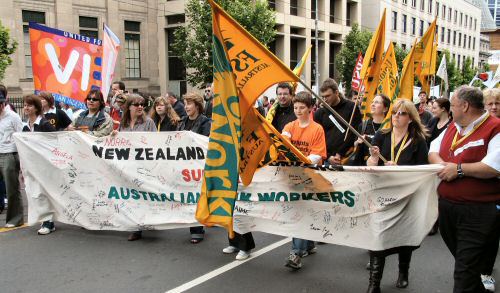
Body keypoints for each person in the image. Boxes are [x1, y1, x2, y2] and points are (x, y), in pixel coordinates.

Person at [429, 86, 499, 293]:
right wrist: (443, 166)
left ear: (465, 106)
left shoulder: (495, 128)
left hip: (478, 210)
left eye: (452, 105)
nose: (450, 109)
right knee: (466, 262)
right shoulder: (453, 126)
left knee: (464, 269)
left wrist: (458, 170)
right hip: (449, 207)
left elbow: (493, 167)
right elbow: (433, 150)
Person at [366, 99, 429, 293]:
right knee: (377, 237)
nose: (396, 116)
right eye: (394, 112)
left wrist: (400, 169)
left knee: (404, 237)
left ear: (410, 118)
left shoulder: (418, 140)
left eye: (401, 113)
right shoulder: (381, 135)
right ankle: (373, 284)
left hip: (407, 196)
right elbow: (369, 167)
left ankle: (403, 272)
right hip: (383, 195)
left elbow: (422, 171)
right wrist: (374, 158)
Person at [282, 91, 327, 270]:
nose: (298, 111)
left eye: (302, 107)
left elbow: (317, 155)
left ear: (310, 108)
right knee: (302, 211)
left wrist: (302, 160)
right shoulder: (290, 126)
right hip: (293, 176)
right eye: (295, 107)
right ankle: (307, 244)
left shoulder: (317, 129)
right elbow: (283, 142)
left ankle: (296, 254)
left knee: (301, 211)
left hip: (310, 176)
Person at [113, 93, 156, 241]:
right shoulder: (123, 124)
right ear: (128, 107)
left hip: (143, 165)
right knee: (131, 196)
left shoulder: (148, 122)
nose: (140, 107)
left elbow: (156, 143)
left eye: (142, 104)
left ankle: (142, 224)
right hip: (128, 166)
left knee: (143, 195)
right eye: (136, 104)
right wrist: (114, 136)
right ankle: (136, 226)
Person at [177, 92, 211, 243]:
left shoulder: (205, 123)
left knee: (197, 196)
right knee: (188, 196)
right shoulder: (182, 122)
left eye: (189, 103)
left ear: (197, 105)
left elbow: (205, 143)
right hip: (184, 165)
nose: (186, 107)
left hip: (198, 166)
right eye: (185, 103)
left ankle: (197, 229)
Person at [22, 95, 57, 234]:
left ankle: (48, 222)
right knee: (35, 192)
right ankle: (46, 220)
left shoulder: (44, 123)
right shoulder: (25, 125)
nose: (26, 108)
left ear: (36, 108)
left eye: (29, 105)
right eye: (25, 105)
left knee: (44, 193)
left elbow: (54, 140)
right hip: (31, 165)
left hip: (44, 164)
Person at [314, 78, 361, 166]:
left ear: (336, 93)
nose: (324, 99)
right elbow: (318, 138)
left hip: (347, 157)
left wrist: (340, 153)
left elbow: (354, 133)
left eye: (327, 96)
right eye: (322, 97)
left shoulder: (352, 107)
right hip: (327, 159)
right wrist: (328, 156)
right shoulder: (319, 113)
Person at [0, 91, 24, 228]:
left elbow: (21, 136)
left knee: (11, 188)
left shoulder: (13, 116)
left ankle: (15, 219)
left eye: (1, 103)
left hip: (9, 154)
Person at [350, 94, 390, 166]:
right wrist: (358, 141)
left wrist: (368, 139)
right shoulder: (363, 125)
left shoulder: (389, 127)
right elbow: (355, 144)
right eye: (372, 102)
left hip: (382, 167)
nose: (373, 104)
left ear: (385, 109)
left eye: (377, 102)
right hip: (364, 167)